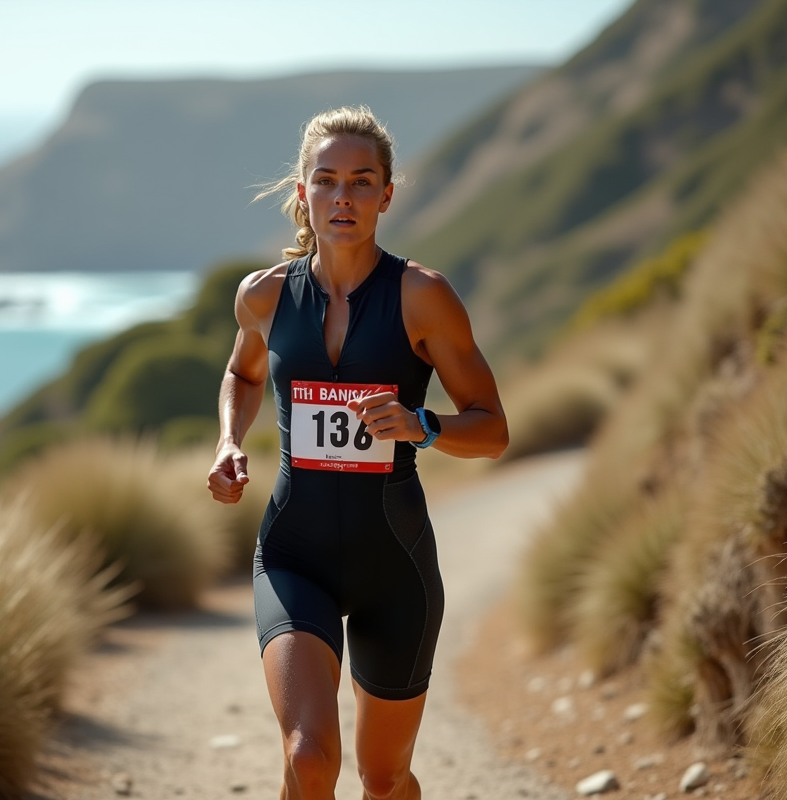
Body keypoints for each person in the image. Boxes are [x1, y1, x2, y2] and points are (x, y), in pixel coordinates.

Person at [206, 105, 508, 800]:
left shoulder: (422, 297)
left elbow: (492, 430)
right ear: (304, 192)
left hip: (393, 567)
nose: (344, 198)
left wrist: (421, 425)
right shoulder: (263, 296)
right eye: (328, 181)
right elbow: (243, 374)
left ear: (386, 195)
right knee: (310, 759)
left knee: (384, 776)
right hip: (293, 555)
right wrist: (228, 441)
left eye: (362, 182)